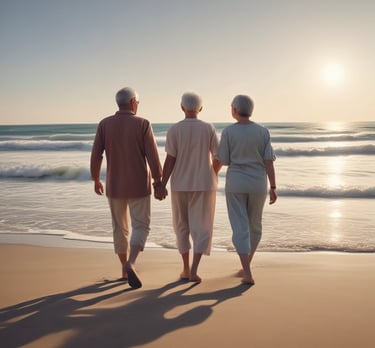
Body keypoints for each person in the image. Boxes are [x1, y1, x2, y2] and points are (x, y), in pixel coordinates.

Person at [90, 87, 163, 289]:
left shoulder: (104, 124)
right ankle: (131, 262)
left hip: (114, 185)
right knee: (141, 225)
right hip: (139, 184)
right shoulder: (143, 124)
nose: (138, 106)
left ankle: (124, 268)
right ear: (133, 103)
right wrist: (158, 182)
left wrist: (96, 178)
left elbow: (97, 155)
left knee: (119, 228)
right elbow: (153, 156)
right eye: (138, 103)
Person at [155, 92, 220, 283]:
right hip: (204, 184)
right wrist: (212, 174)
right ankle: (194, 270)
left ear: (182, 107)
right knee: (203, 227)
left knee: (181, 226)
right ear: (200, 108)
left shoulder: (174, 130)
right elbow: (219, 156)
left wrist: (162, 184)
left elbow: (170, 159)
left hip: (180, 184)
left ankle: (185, 268)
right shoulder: (208, 128)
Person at [215, 94, 277, 285]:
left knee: (240, 227)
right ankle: (246, 264)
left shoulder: (228, 132)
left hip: (236, 184)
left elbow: (222, 160)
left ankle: (247, 271)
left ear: (234, 110)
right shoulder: (262, 131)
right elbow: (268, 160)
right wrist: (273, 186)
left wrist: (212, 175)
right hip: (258, 184)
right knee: (255, 226)